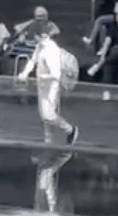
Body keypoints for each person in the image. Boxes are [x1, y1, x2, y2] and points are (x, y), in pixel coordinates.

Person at [18, 13, 78, 146]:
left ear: (41, 35)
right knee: (44, 116)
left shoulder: (51, 50)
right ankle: (48, 140)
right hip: (43, 85)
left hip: (52, 87)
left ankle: (69, 129)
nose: (33, 38)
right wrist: (25, 73)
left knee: (48, 115)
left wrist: (41, 77)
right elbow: (33, 60)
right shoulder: (40, 47)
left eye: (35, 35)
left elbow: (55, 74)